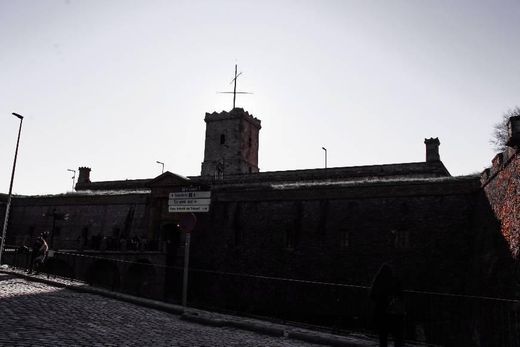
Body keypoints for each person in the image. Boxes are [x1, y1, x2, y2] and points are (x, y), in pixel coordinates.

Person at [370, 263, 405, 347]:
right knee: (397, 336)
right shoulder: (395, 280)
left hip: (381, 311)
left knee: (383, 336)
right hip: (393, 312)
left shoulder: (378, 280)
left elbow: (372, 295)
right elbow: (400, 295)